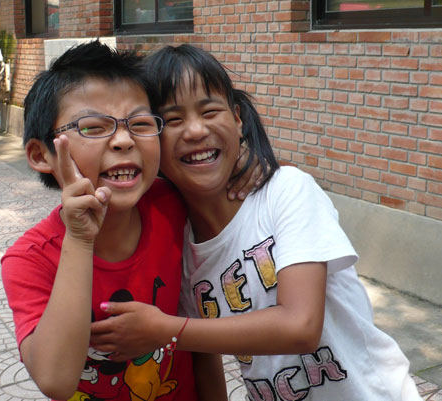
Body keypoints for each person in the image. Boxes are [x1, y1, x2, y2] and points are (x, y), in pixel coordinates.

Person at [90, 44, 423, 400]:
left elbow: (300, 326)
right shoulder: (178, 242)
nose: (195, 130)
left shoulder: (287, 192)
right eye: (172, 120)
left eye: (209, 111)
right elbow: (203, 355)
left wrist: (165, 330)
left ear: (237, 119)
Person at [1, 41, 257, 401]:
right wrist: (79, 238)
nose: (124, 140)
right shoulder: (29, 259)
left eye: (140, 124)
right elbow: (55, 380)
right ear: (41, 154)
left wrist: (248, 163)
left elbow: (197, 339)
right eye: (93, 127)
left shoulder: (173, 205)